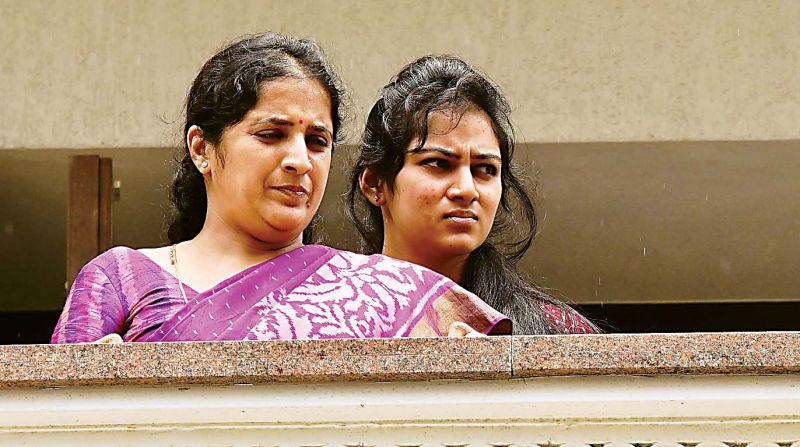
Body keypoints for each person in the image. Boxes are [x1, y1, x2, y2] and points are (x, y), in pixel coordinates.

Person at [51, 35, 510, 343]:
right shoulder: (121, 280)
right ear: (202, 149)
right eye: (271, 135)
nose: (299, 160)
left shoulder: (384, 290)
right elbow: (56, 421)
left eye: (317, 141)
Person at [346, 55, 598, 334]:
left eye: (485, 170)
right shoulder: (334, 321)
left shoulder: (555, 332)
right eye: (438, 163)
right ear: (374, 184)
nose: (466, 190)